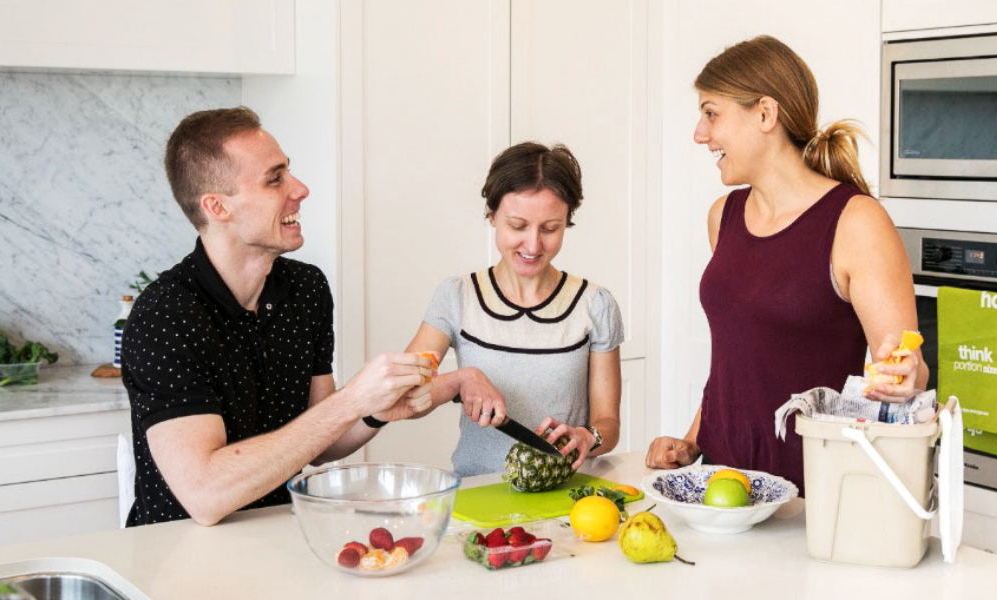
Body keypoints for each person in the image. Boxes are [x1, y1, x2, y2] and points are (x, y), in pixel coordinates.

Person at [121, 107, 437, 526]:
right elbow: (205, 494)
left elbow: (321, 438)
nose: (301, 189)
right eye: (275, 179)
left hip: (278, 536)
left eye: (289, 171)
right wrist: (351, 401)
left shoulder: (305, 289)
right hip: (178, 556)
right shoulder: (164, 317)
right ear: (217, 207)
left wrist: (374, 411)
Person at [644, 36, 928, 493]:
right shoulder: (724, 217)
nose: (700, 133)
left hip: (812, 493)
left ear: (765, 114)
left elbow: (904, 366)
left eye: (711, 113)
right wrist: (693, 440)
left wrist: (907, 373)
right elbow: (738, 355)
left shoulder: (856, 223)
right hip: (720, 482)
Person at [405, 142, 624, 477]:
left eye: (550, 228)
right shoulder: (457, 296)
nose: (533, 245)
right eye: (518, 226)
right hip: (476, 491)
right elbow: (406, 395)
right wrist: (460, 380)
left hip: (563, 497)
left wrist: (587, 436)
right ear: (492, 216)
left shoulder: (595, 305)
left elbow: (607, 423)